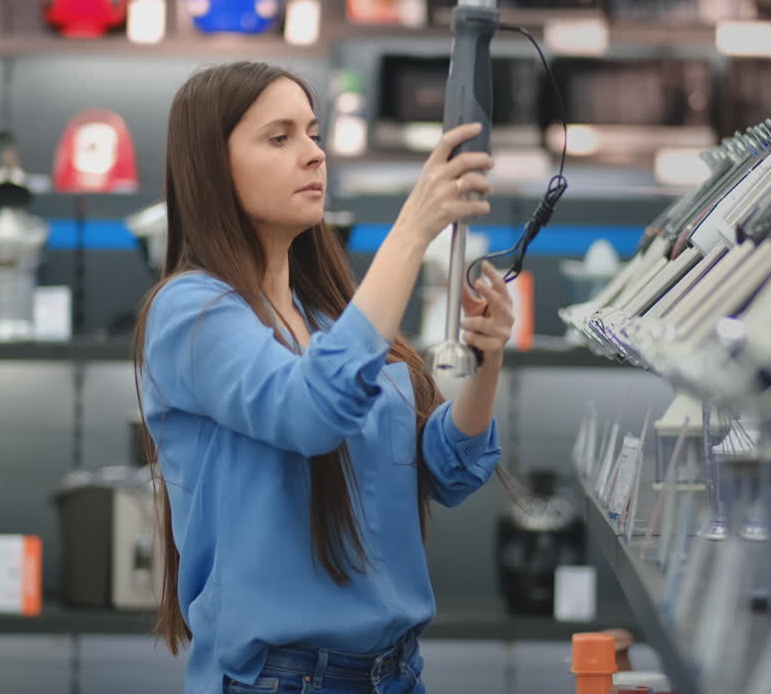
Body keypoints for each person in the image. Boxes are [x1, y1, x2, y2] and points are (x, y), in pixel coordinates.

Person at [134, 61, 514, 694]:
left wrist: (485, 360)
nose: (313, 155)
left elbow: (446, 470)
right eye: (279, 138)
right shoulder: (189, 313)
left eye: (313, 133)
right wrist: (414, 228)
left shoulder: (327, 317)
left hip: (397, 676)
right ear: (211, 166)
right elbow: (311, 412)